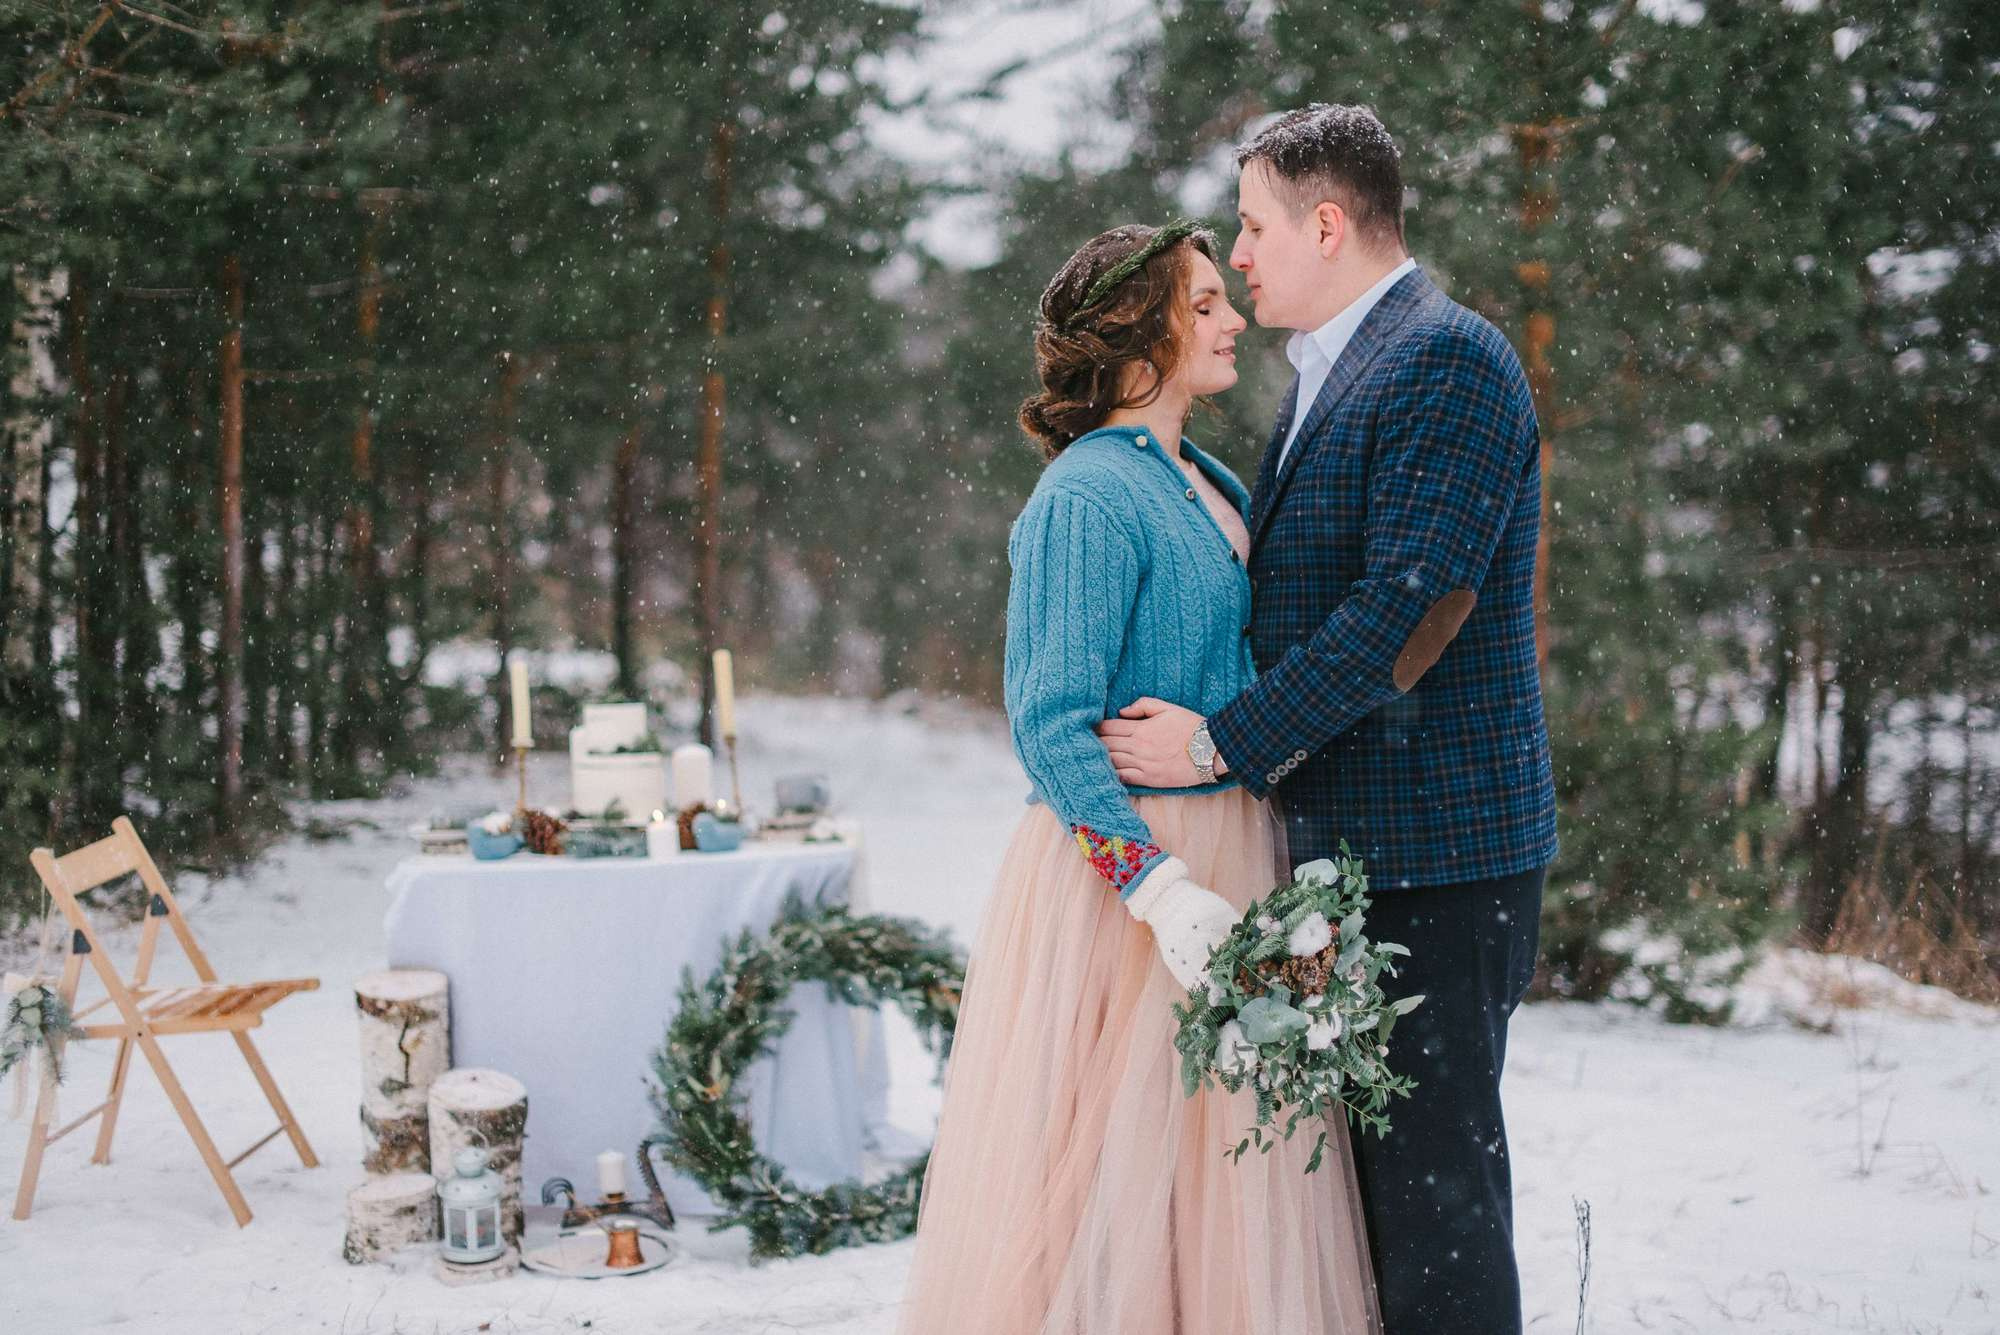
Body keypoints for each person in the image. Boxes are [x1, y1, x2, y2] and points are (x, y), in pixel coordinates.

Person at [1099, 105, 1559, 1335]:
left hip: (1437, 857)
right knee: (1365, 1201)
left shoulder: (1444, 357)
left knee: (1433, 1201)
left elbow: (1406, 612)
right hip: (1351, 852)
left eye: (1251, 228)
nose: (1237, 259)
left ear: (1324, 220)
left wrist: (1220, 743)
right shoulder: (1334, 370)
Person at [895, 221, 1381, 1335]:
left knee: (1218, 1173)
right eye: (1201, 304)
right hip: (1127, 883)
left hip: (1232, 848)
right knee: (1115, 1188)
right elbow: (1049, 727)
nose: (1233, 319)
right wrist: (1154, 889)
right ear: (1134, 331)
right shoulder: (1084, 496)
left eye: (1224, 297)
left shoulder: (1198, 471)